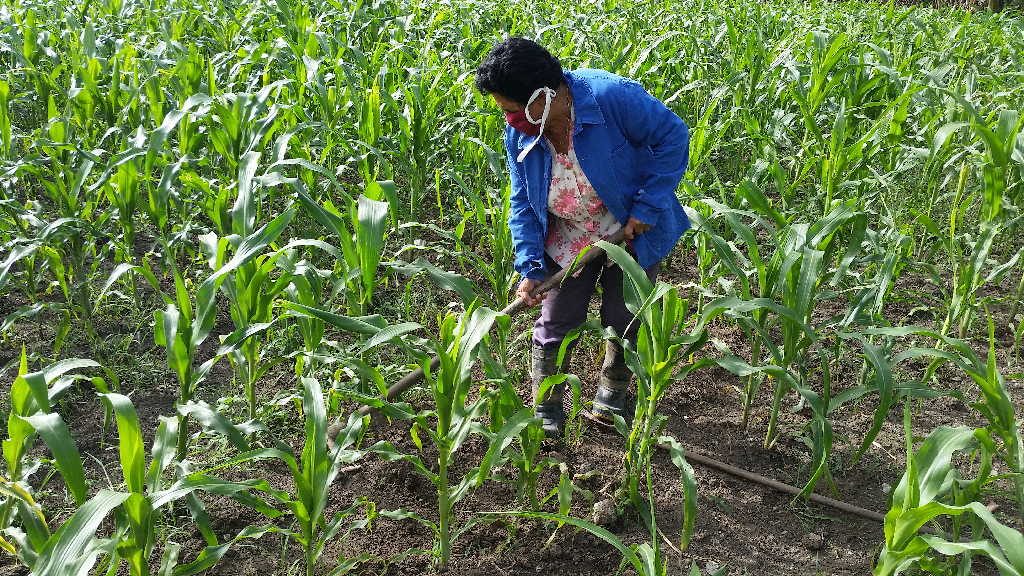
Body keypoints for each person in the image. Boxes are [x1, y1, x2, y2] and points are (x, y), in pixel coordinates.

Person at [474, 37, 691, 435]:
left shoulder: (611, 98)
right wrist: (531, 265)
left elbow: (673, 137)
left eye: (512, 109)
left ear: (543, 95)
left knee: (623, 315)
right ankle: (546, 405)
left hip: (628, 232)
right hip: (569, 236)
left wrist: (647, 206)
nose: (509, 120)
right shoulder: (523, 132)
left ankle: (613, 393)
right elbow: (522, 199)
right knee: (558, 317)